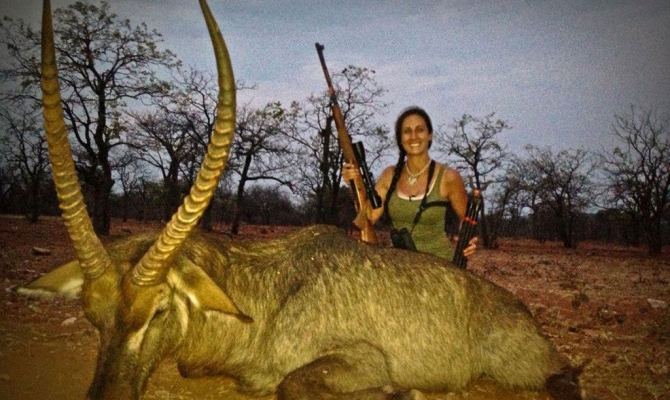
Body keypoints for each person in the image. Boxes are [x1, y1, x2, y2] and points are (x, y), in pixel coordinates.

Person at [343, 106, 477, 261]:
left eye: (420, 130)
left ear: (430, 135)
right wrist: (353, 183)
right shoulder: (389, 175)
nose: (413, 136)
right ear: (400, 138)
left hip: (439, 266)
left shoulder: (449, 177)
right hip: (399, 265)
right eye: (407, 131)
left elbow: (466, 220)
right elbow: (369, 217)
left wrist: (469, 239)